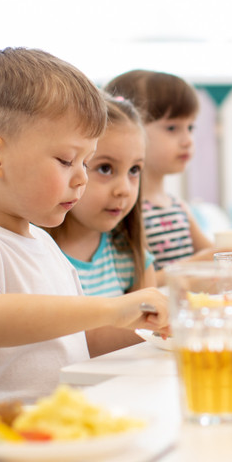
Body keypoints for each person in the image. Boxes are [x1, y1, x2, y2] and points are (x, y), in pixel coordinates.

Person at [0, 48, 168, 415]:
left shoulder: (43, 244)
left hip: (57, 433)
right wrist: (110, 308)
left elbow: (78, 342)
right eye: (67, 161)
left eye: (85, 162)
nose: (80, 177)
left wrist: (147, 323)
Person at [107, 70, 232, 283]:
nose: (187, 140)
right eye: (172, 128)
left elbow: (220, 256)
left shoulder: (178, 208)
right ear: (130, 129)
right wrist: (195, 265)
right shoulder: (124, 211)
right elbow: (135, 284)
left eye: (190, 127)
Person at [47, 94, 154, 353]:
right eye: (105, 168)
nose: (124, 190)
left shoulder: (129, 256)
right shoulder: (37, 256)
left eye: (134, 170)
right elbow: (77, 345)